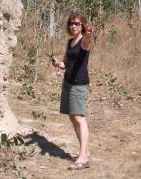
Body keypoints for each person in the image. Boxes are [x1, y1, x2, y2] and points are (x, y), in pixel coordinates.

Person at [52, 13, 94, 171]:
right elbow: (66, 63)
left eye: (76, 23)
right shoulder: (70, 42)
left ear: (82, 25)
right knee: (72, 117)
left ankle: (83, 158)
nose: (73, 26)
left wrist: (89, 35)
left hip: (79, 84)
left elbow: (87, 42)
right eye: (71, 23)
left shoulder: (84, 41)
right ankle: (86, 151)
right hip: (68, 82)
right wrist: (58, 64)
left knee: (79, 118)